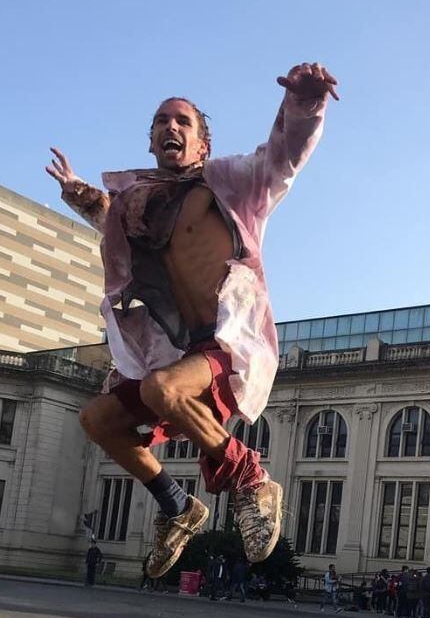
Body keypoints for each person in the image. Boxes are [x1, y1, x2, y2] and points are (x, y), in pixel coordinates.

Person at [49, 63, 339, 581]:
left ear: (203, 144)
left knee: (161, 390)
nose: (170, 128)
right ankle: (178, 506)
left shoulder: (230, 184)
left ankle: (252, 479)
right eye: (161, 121)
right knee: (96, 420)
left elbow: (284, 159)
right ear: (152, 140)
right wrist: (80, 193)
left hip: (227, 343)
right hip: (178, 352)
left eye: (182, 121)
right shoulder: (143, 205)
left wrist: (305, 104)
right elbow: (116, 225)